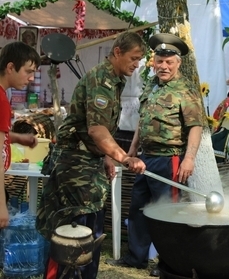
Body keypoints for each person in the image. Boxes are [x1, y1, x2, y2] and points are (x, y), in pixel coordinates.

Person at [35, 31, 147, 279]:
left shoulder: (116, 79)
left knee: (90, 231)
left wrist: (106, 156)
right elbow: (96, 130)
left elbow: (98, 127)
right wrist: (123, 158)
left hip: (88, 164)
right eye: (134, 57)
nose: (137, 64)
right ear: (117, 52)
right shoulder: (101, 79)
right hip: (76, 165)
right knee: (72, 235)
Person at [106, 33, 204, 277]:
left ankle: (168, 264)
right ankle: (136, 258)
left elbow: (195, 127)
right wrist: (131, 150)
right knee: (137, 209)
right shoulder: (150, 85)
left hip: (169, 159)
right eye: (159, 61)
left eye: (169, 62)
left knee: (167, 214)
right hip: (144, 158)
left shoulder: (186, 90)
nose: (163, 66)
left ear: (178, 63)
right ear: (153, 62)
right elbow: (143, 119)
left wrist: (189, 158)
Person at [0, 41, 40, 229]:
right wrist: (1, 204)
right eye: (28, 71)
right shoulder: (1, 100)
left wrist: (18, 138)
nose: (31, 78)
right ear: (10, 67)